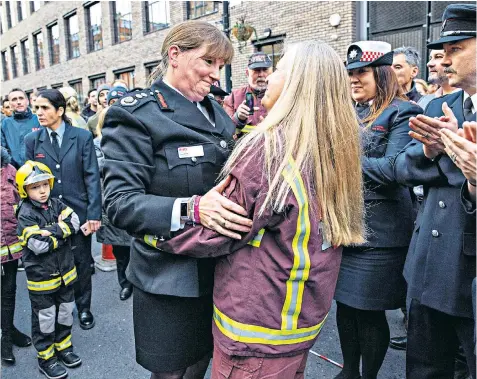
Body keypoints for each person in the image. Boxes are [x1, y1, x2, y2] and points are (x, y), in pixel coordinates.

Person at [151, 39, 365, 379]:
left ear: (296, 82)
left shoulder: (269, 147)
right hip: (296, 322)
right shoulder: (332, 144)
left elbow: (219, 229)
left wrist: (154, 231)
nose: (268, 77)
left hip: (254, 330)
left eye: (278, 69)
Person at [101, 20, 256, 379]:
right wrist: (193, 207)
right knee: (172, 372)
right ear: (175, 55)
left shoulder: (215, 110)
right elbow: (120, 203)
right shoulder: (137, 114)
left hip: (221, 271)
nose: (217, 74)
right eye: (208, 62)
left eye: (221, 65)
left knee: (203, 364)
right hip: (168, 279)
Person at [392, 4, 476, 378]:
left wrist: (462, 167)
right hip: (428, 265)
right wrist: (433, 150)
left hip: (468, 271)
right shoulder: (444, 104)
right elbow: (403, 167)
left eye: (456, 47)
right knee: (425, 368)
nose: (444, 58)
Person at [333, 40, 422, 379]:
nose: (354, 79)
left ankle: (366, 376)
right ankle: (348, 371)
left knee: (368, 311)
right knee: (344, 307)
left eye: (362, 73)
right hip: (346, 227)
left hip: (381, 235)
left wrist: (342, 162)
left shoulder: (404, 112)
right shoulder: (351, 112)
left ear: (382, 73)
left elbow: (396, 169)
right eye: (350, 73)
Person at [25, 89, 102, 331]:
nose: (39, 112)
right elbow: (29, 182)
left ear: (60, 110)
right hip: (47, 218)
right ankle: (62, 309)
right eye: (36, 108)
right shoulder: (32, 140)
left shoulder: (81, 137)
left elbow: (91, 177)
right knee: (55, 264)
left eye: (44, 107)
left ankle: (84, 307)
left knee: (80, 264)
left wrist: (93, 216)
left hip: (78, 213)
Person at [15, 160, 82, 379]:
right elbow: (38, 245)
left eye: (45, 185)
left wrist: (50, 231)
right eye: (35, 187)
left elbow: (75, 221)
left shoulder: (56, 203)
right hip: (42, 279)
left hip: (65, 275)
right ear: (24, 190)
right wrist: (63, 233)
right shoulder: (25, 214)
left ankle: (64, 348)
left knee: (65, 313)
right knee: (45, 318)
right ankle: (46, 358)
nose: (42, 191)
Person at [93, 87, 133, 301]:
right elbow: (100, 167)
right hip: (111, 202)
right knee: (120, 251)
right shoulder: (98, 143)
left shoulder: (137, 136)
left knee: (139, 247)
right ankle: (125, 283)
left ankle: (138, 282)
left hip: (135, 199)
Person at [1, 147, 32, 365]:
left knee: (9, 291)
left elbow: (22, 202)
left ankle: (7, 335)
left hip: (11, 245)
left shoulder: (11, 170)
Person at [223, 52, 271, 135]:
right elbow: (225, 132)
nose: (261, 74)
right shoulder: (233, 98)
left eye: (265, 70)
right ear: (247, 73)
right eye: (256, 70)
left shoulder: (282, 94)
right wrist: (238, 118)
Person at [1, 88, 41, 169]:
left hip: (39, 171)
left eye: (21, 98)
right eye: (14, 99)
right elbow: (2, 149)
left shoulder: (39, 120)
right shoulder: (5, 124)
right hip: (15, 173)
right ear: (10, 104)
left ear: (27, 101)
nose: (18, 102)